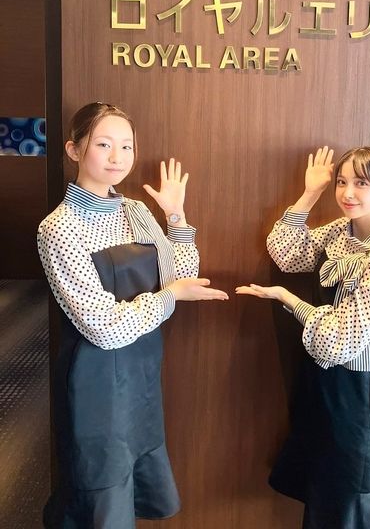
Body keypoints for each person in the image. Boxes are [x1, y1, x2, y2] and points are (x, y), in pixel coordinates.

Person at [37, 102, 228, 529]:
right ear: (74, 149)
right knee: (99, 487)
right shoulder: (59, 227)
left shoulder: (136, 211)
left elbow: (180, 276)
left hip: (141, 367)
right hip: (95, 376)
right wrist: (169, 297)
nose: (117, 157)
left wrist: (176, 215)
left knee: (132, 472)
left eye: (126, 146)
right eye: (103, 144)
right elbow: (103, 328)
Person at [236, 146, 370, 529]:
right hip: (323, 383)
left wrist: (290, 300)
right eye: (342, 182)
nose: (347, 193)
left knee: (352, 501)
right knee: (324, 497)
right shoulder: (341, 231)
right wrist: (311, 192)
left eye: (361, 183)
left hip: (358, 394)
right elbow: (286, 253)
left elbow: (338, 342)